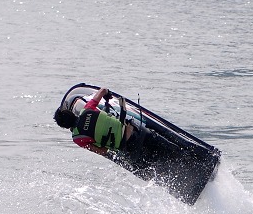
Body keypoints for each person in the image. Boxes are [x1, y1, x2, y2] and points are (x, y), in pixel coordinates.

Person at [54, 87, 220, 205]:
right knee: (172, 150)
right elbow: (103, 90)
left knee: (158, 167)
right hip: (138, 134)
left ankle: (188, 189)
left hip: (130, 151)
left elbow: (103, 151)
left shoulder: (78, 139)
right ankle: (203, 164)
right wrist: (106, 97)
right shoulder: (88, 109)